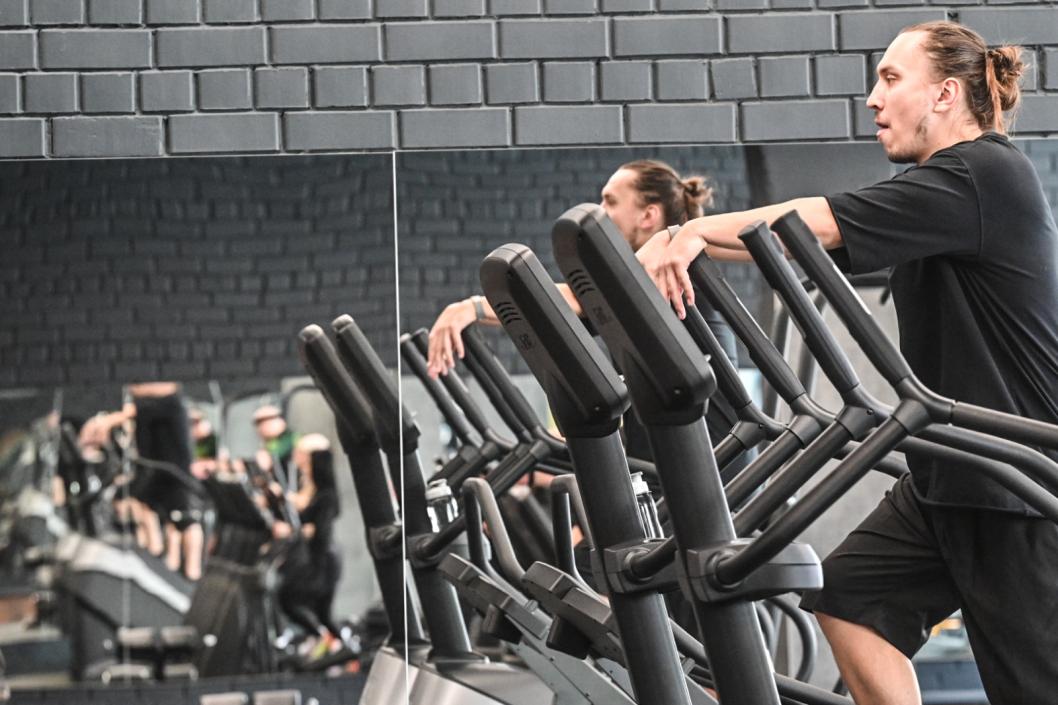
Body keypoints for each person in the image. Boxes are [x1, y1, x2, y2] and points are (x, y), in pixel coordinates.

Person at [638, 21, 1058, 705]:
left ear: (946, 94)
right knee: (848, 601)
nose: (872, 98)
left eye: (890, 78)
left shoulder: (982, 173)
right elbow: (793, 244)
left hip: (1012, 482)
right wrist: (691, 245)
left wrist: (691, 231)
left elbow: (818, 222)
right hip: (946, 476)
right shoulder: (942, 190)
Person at [426, 159, 741, 462]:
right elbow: (564, 308)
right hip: (662, 465)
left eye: (610, 202)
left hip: (715, 470)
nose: (601, 211)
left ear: (648, 215)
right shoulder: (628, 293)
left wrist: (473, 307)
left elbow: (575, 299)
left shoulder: (676, 273)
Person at [273, 434, 343, 658]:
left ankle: (333, 645)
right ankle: (331, 644)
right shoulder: (306, 487)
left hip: (322, 559)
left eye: (304, 455)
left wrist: (295, 530)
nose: (298, 458)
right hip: (309, 556)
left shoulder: (326, 495)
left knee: (299, 602)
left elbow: (320, 530)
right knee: (302, 604)